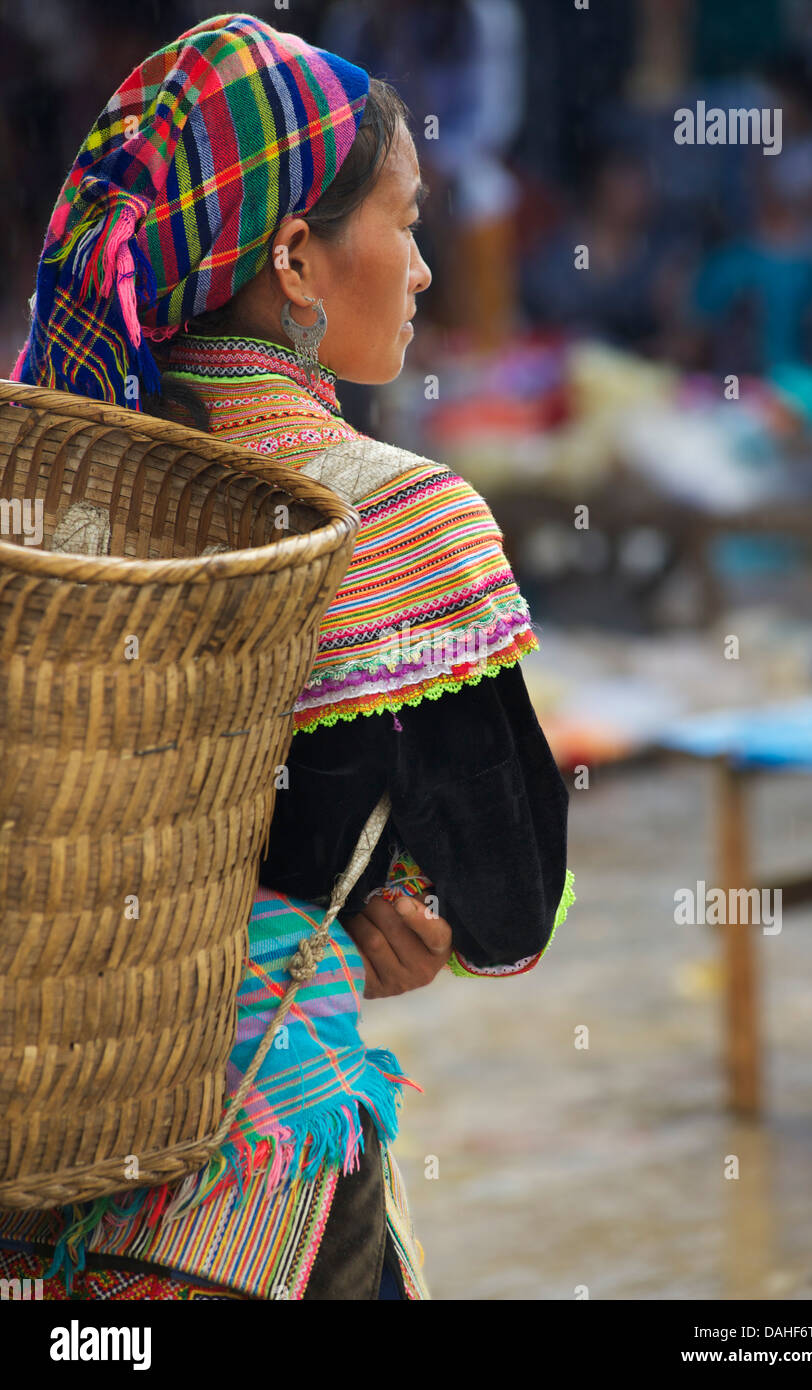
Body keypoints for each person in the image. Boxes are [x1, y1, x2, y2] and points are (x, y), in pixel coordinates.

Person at [0, 12, 573, 1300]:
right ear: (300, 260)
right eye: (407, 223)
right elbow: (512, 910)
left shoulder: (42, 486)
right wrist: (390, 911)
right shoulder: (401, 518)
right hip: (242, 1186)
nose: (423, 269)